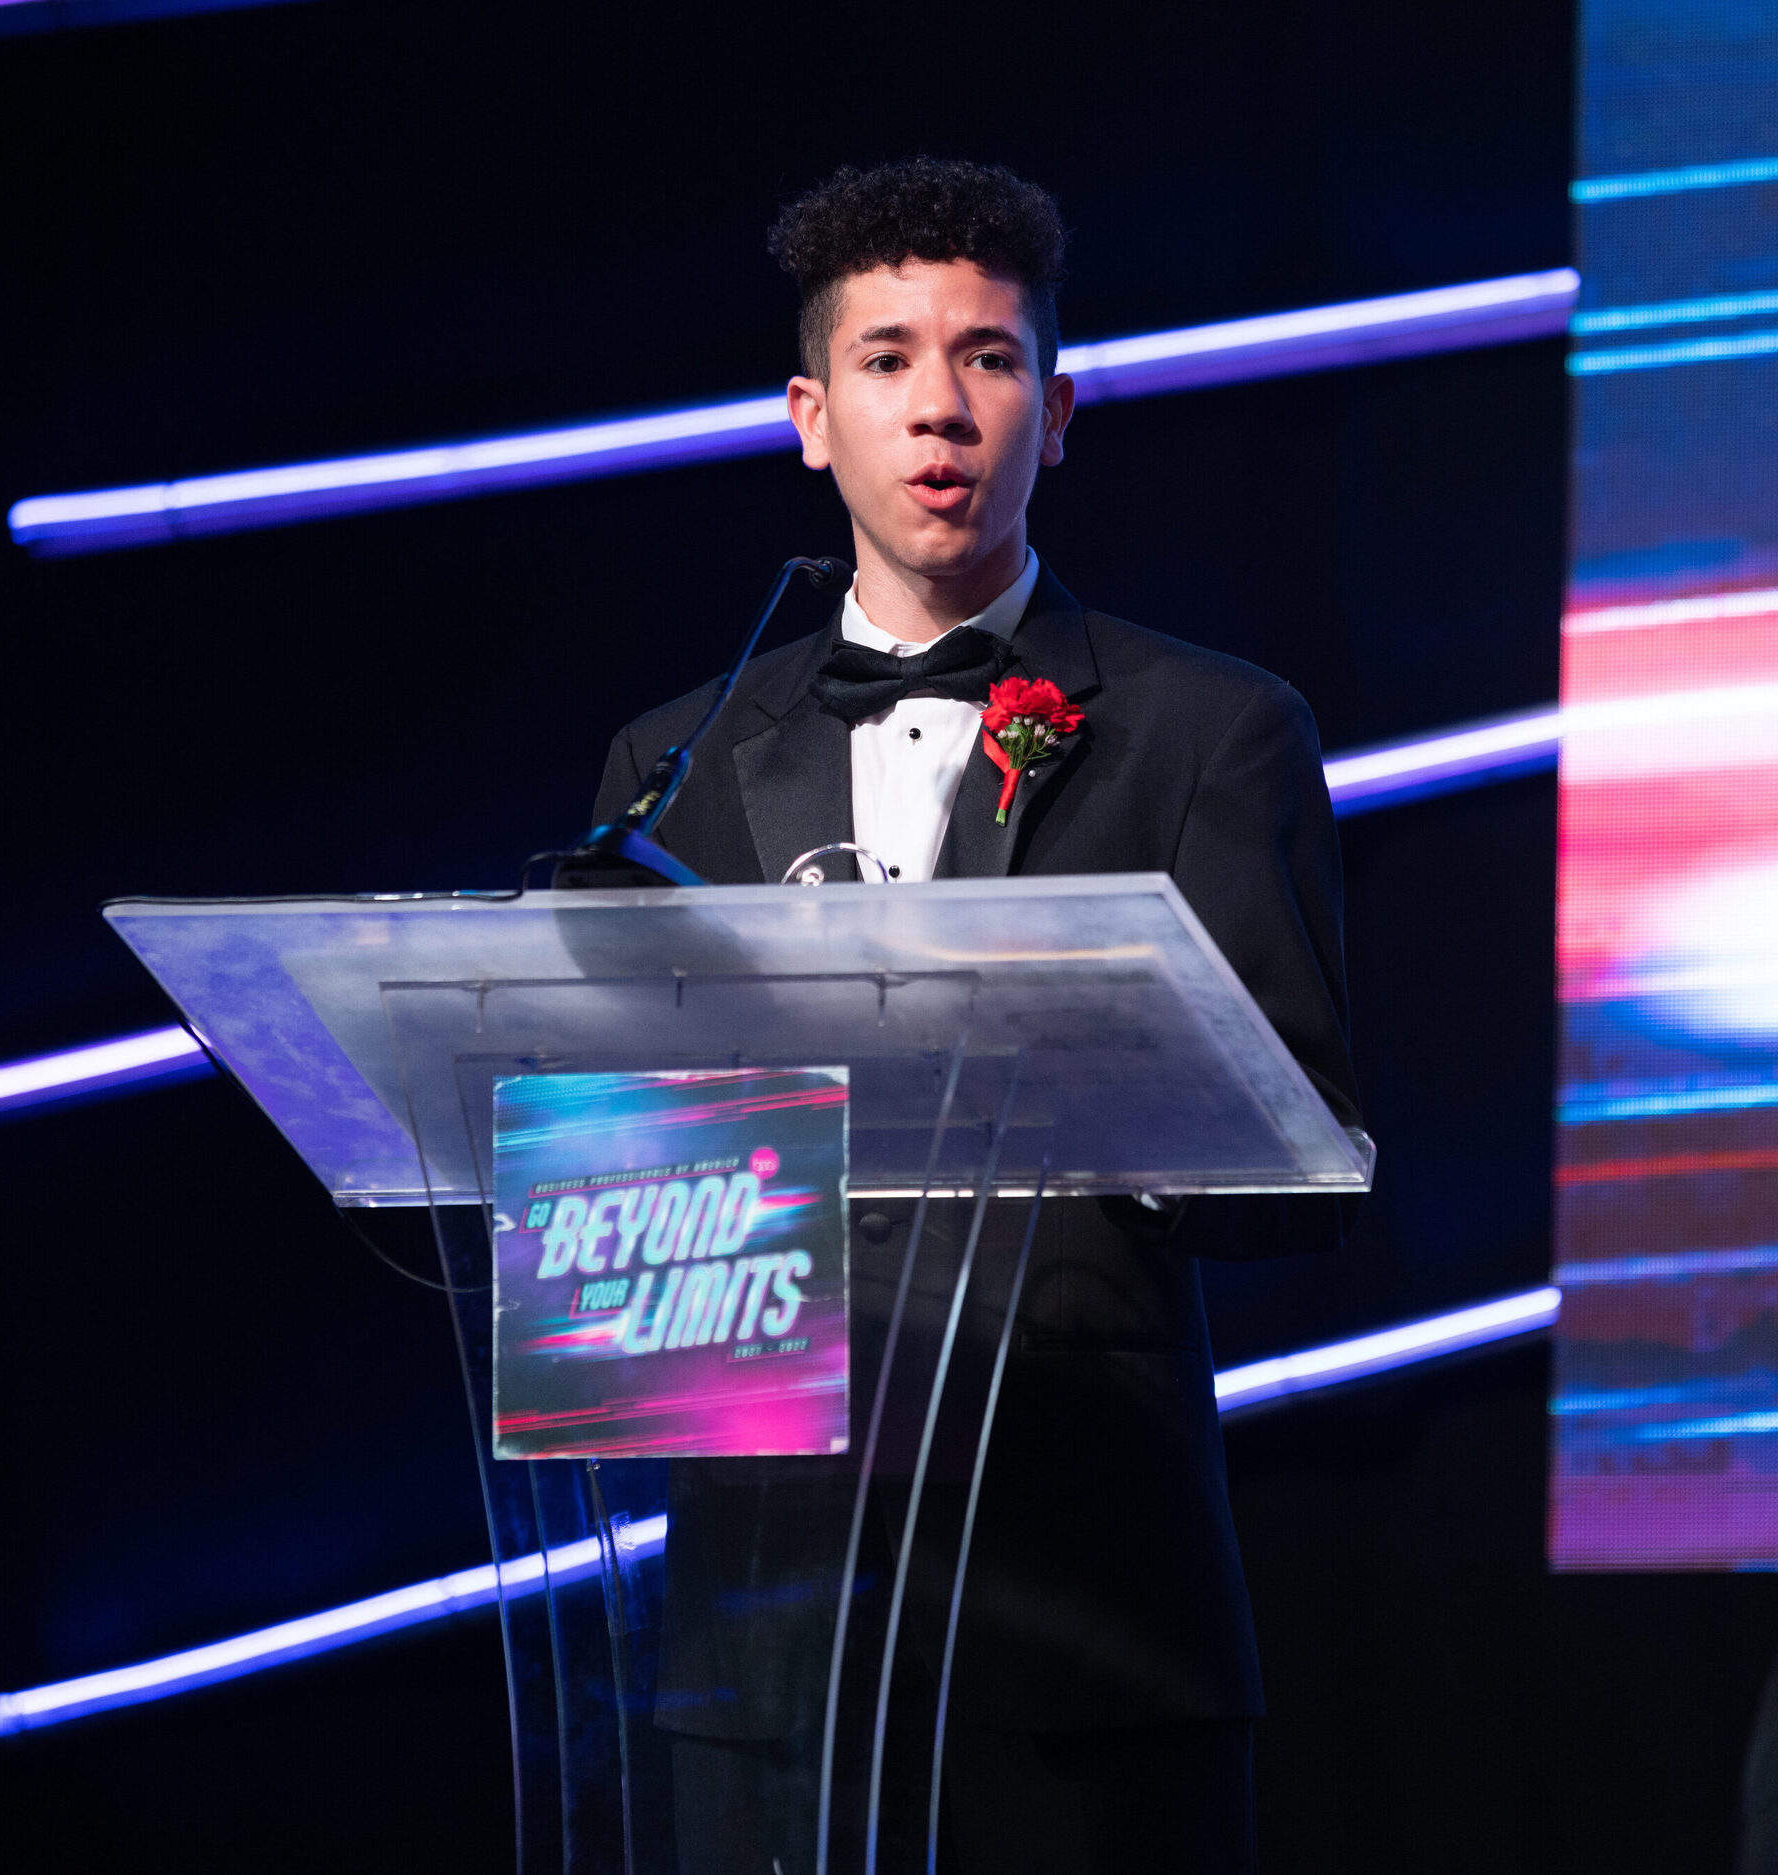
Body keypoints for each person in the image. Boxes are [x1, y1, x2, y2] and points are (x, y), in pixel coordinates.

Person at [569, 157, 1360, 1875]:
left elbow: (1306, 1162)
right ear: (809, 417)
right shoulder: (673, 761)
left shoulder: (1208, 731)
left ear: (1055, 414)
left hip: (1087, 1611)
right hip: (765, 1624)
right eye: (886, 359)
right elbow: (631, 1189)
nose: (940, 405)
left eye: (990, 358)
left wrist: (1081, 1079)